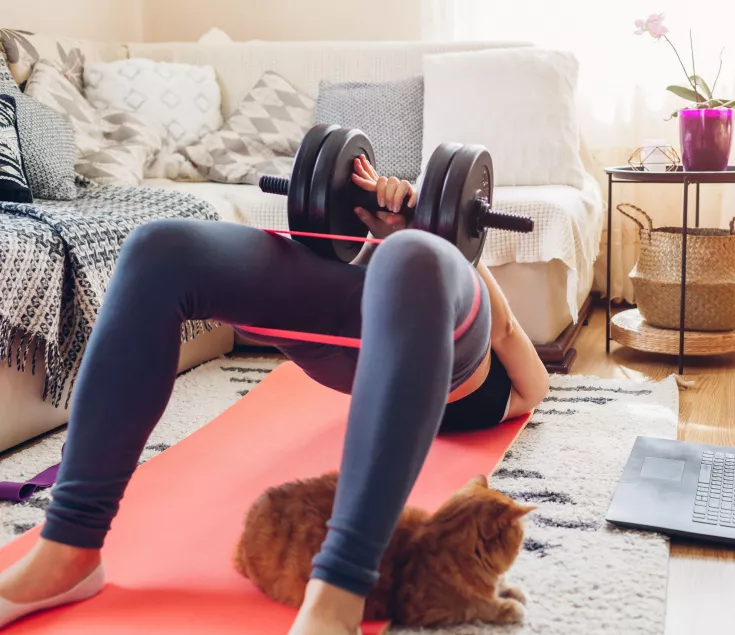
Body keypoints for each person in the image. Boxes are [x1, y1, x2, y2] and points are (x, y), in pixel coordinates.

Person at [0, 156, 550, 634]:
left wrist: (443, 240)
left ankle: (338, 596)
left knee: (413, 257)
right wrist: (407, 227)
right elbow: (521, 358)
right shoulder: (473, 388)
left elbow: (508, 352)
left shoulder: (493, 398)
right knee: (159, 247)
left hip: (444, 317)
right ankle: (66, 549)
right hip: (370, 322)